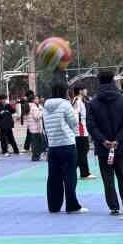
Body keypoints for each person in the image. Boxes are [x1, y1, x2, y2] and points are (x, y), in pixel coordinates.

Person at [87, 71, 123, 216]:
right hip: (120, 146)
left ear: (99, 82)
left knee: (107, 178)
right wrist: (118, 140)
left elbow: (91, 125)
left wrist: (103, 140)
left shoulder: (93, 103)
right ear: (113, 80)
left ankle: (113, 207)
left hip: (103, 148)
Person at [43, 84, 87, 214]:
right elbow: (74, 122)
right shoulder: (66, 104)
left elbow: (45, 125)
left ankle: (54, 206)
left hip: (53, 146)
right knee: (70, 177)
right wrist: (75, 113)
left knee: (53, 178)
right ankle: (72, 206)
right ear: (64, 92)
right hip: (67, 145)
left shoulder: (45, 106)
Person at [71, 86, 95, 179]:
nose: (86, 91)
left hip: (82, 128)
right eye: (85, 89)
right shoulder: (77, 101)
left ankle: (77, 170)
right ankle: (84, 173)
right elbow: (75, 114)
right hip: (80, 129)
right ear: (80, 91)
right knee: (83, 151)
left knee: (83, 151)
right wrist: (78, 126)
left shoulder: (81, 100)